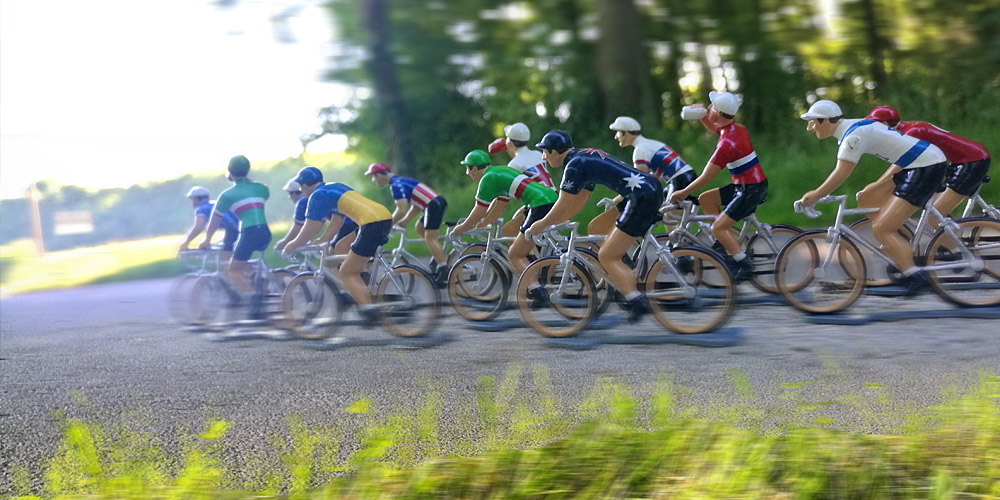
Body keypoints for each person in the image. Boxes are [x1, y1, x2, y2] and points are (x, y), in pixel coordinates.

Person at [796, 99, 949, 295]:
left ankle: (915, 276)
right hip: (919, 163)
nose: (810, 128)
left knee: (881, 229)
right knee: (867, 197)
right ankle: (900, 242)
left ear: (825, 121)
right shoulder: (854, 125)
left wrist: (815, 195)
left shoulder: (852, 138)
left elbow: (841, 173)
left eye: (812, 123)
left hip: (924, 167)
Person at [527, 130, 663, 322]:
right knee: (596, 227)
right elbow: (581, 198)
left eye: (545, 152)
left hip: (640, 197)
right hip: (649, 188)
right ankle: (623, 271)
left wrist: (541, 224)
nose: (543, 157)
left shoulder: (573, 166)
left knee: (607, 255)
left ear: (554, 151)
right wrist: (558, 221)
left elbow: (564, 202)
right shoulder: (581, 157)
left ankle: (636, 299)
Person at [669, 91, 768, 281]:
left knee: (718, 228)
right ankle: (725, 243)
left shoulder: (726, 145)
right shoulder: (736, 128)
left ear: (719, 113)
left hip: (750, 189)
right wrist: (703, 117)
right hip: (747, 184)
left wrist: (683, 192)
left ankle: (743, 263)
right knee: (707, 198)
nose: (708, 108)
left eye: (712, 107)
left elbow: (707, 177)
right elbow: (716, 128)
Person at [283, 167, 393, 317]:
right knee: (341, 246)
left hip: (371, 223)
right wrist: (321, 240)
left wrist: (291, 246)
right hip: (382, 216)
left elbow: (310, 228)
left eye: (301, 187)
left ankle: (369, 309)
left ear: (306, 185)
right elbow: (337, 221)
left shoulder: (317, 196)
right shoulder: (332, 187)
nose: (301, 191)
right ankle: (362, 279)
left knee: (347, 272)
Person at [863, 105, 991, 222]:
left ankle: (952, 246)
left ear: (885, 123)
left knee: (934, 216)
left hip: (972, 162)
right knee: (934, 211)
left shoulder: (910, 133)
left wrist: (877, 185)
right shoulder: (906, 128)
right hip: (966, 160)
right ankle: (949, 238)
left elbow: (900, 164)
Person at [451, 149, 557, 282]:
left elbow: (479, 210)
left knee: (515, 254)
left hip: (539, 204)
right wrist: (486, 222)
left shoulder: (487, 179)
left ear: (475, 168)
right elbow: (501, 203)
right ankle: (539, 266)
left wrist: (462, 228)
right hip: (548, 198)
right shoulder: (498, 171)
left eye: (468, 168)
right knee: (515, 232)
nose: (467, 173)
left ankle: (536, 289)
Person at [590, 116, 695, 235]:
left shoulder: (640, 150)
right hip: (684, 176)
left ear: (625, 133)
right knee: (664, 209)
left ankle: (683, 249)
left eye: (618, 133)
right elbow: (652, 178)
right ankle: (682, 245)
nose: (616, 137)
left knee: (669, 218)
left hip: (679, 180)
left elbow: (638, 182)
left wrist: (617, 199)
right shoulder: (650, 144)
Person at [199, 155, 272, 310]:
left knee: (232, 269)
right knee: (243, 263)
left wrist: (207, 239)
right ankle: (259, 280)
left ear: (230, 173)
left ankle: (254, 303)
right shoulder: (262, 188)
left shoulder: (227, 195)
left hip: (249, 232)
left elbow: (214, 220)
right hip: (265, 232)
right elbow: (255, 188)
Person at [364, 162, 449, 284]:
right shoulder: (400, 180)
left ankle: (443, 268)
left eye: (373, 176)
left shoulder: (395, 185)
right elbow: (416, 206)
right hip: (433, 203)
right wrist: (404, 222)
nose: (373, 180)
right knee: (419, 229)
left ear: (379, 175)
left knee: (430, 238)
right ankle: (438, 255)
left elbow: (401, 209)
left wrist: (387, 225)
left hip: (433, 205)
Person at [487, 122, 556, 237]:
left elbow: (503, 196)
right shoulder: (537, 154)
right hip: (554, 196)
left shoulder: (514, 164)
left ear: (509, 142)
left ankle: (532, 254)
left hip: (540, 202)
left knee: (508, 231)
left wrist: (486, 214)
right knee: (517, 216)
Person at [178, 186, 239, 260]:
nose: (191, 203)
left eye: (192, 200)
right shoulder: (215, 203)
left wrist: (186, 243)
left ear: (196, 199)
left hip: (230, 231)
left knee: (226, 260)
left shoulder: (201, 208)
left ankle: (227, 269)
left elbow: (199, 227)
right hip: (239, 228)